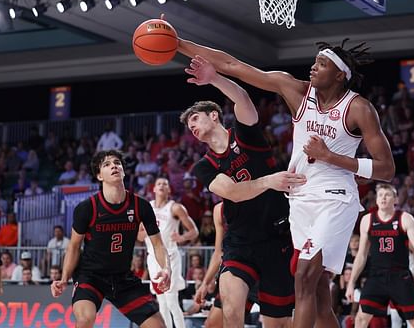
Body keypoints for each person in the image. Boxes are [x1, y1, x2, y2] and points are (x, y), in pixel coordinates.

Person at [178, 30, 395, 328]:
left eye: (321, 64)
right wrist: (179, 44)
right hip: (300, 201)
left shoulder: (359, 108)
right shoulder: (295, 91)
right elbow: (233, 66)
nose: (313, 67)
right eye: (314, 62)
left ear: (339, 75)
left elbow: (386, 169)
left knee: (304, 276)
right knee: (318, 293)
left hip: (335, 198)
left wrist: (331, 156)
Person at [180, 55, 303, 328]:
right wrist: (269, 181)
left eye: (196, 119)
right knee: (230, 314)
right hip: (240, 245)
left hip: (277, 241)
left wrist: (214, 79)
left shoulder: (246, 136)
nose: (192, 127)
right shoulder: (204, 165)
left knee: (279, 325)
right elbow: (233, 192)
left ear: (214, 116)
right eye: (189, 127)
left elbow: (243, 98)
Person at [50, 149, 171, 328]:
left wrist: (166, 268)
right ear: (99, 176)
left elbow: (158, 244)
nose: (114, 166)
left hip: (123, 278)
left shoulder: (141, 206)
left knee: (158, 326)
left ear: (123, 170)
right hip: (91, 276)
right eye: (106, 164)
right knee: (85, 319)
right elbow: (74, 247)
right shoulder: (87, 208)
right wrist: (65, 277)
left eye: (117, 163)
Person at [346, 184, 414, 328]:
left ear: (395, 199)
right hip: (376, 276)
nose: (383, 198)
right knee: (360, 319)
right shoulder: (367, 220)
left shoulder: (405, 218)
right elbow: (362, 255)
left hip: (400, 276)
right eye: (380, 195)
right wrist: (351, 282)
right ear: (376, 200)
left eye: (387, 195)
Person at [138, 177, 200, 328]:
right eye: (158, 183)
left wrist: (182, 237)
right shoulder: (147, 208)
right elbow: (139, 236)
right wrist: (145, 232)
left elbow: (194, 231)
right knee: (162, 302)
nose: (161, 186)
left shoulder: (175, 208)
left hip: (170, 258)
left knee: (171, 300)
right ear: (153, 189)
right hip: (153, 259)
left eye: (165, 184)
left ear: (169, 190)